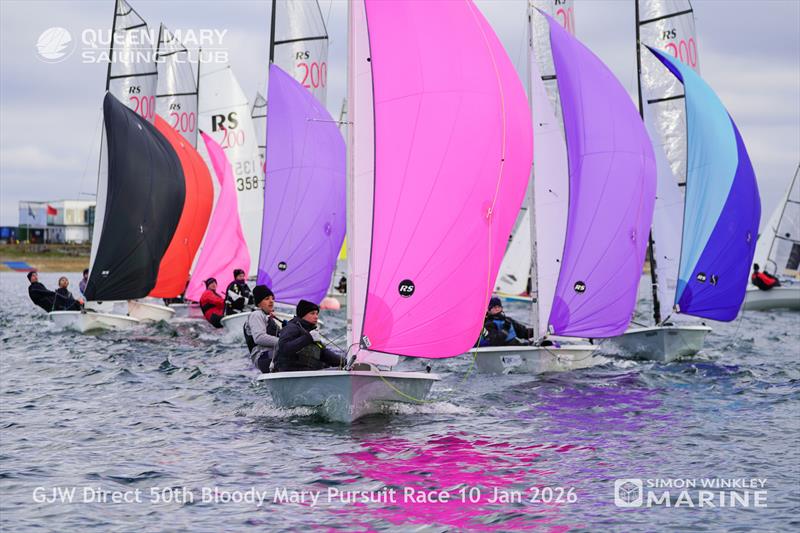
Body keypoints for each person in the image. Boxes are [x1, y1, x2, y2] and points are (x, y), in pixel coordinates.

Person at [272, 299, 346, 372]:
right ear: (303, 315)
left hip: (308, 372)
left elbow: (323, 353)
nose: (316, 316)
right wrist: (308, 338)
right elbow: (284, 348)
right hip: (290, 373)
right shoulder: (291, 328)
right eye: (312, 313)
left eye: (317, 313)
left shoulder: (310, 331)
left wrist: (344, 362)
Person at [243, 285, 284, 373]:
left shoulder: (268, 317)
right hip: (263, 357)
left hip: (272, 354)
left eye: (272, 298)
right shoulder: (256, 315)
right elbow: (259, 338)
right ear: (259, 303)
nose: (271, 301)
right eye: (267, 299)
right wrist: (283, 342)